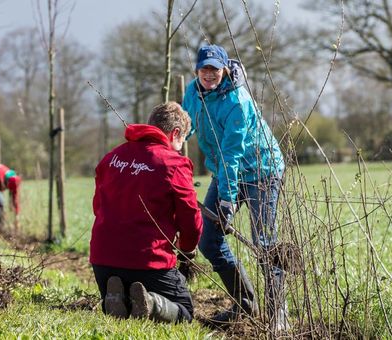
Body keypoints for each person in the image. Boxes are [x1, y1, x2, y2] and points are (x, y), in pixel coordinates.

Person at [181, 44, 288, 330]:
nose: (209, 74)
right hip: (225, 170)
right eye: (204, 69)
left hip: (260, 171)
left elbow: (232, 155)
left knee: (264, 243)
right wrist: (170, 142)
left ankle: (279, 313)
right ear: (197, 70)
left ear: (225, 69)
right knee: (208, 240)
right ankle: (245, 304)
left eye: (214, 69)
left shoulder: (237, 101)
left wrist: (227, 202)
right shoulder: (193, 90)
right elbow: (187, 123)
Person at [89, 102, 202, 323]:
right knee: (185, 312)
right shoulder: (173, 163)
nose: (180, 147)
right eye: (181, 141)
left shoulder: (111, 158)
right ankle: (152, 303)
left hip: (103, 260)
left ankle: (116, 298)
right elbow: (190, 218)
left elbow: (97, 207)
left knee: (127, 293)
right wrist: (187, 250)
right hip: (149, 261)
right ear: (175, 133)